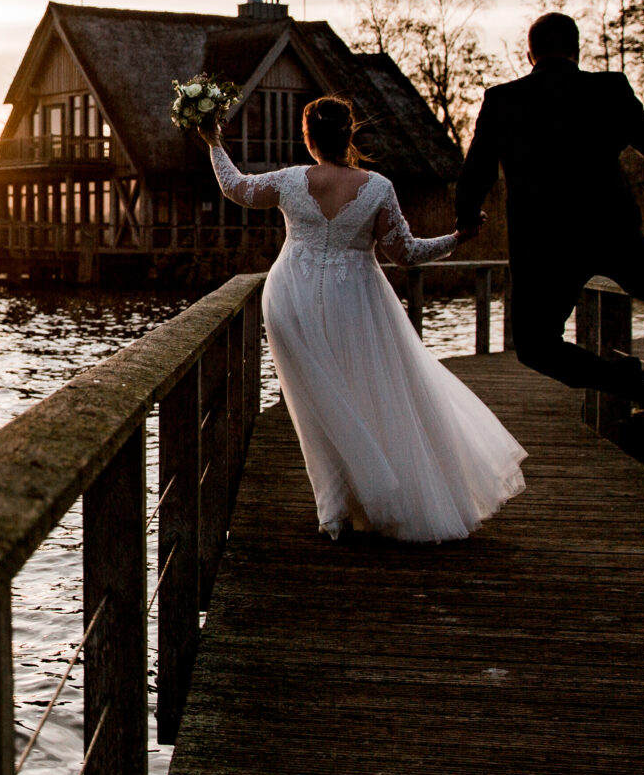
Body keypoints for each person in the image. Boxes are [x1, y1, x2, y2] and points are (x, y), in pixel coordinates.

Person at [200, 96, 525, 543]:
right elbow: (405, 254)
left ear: (308, 138)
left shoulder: (292, 181)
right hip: (355, 300)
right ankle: (362, 498)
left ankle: (336, 508)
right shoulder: (377, 188)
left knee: (316, 401)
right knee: (366, 390)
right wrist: (456, 238)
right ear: (349, 135)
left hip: (291, 297)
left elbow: (235, 187)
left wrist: (214, 141)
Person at [454, 12, 644, 413]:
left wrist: (467, 218)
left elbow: (476, 171)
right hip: (611, 229)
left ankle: (632, 385)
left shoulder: (503, 99)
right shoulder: (609, 88)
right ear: (577, 50)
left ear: (529, 54)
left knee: (537, 346)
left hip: (543, 244)